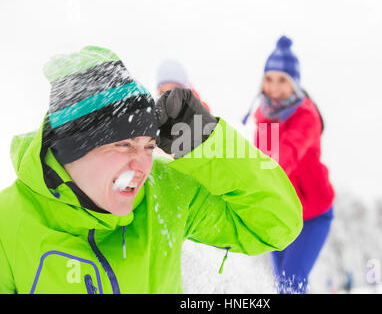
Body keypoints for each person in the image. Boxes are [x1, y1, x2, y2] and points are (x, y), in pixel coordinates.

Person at [0, 46, 303, 294]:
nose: (143, 165)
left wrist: (207, 141)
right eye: (124, 145)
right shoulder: (10, 222)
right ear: (73, 150)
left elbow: (276, 225)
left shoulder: (165, 194)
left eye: (148, 146)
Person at [252, 36, 335, 294]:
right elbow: (262, 161)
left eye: (282, 80)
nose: (274, 87)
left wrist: (260, 173)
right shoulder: (264, 117)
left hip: (313, 215)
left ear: (294, 83)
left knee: (290, 284)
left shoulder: (306, 116)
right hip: (282, 215)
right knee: (284, 286)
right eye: (269, 79)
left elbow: (283, 156)